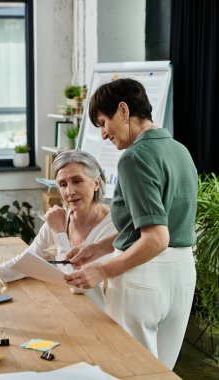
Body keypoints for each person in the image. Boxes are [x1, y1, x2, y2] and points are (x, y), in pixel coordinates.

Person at [63, 78, 198, 370]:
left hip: (142, 278)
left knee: (129, 370)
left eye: (103, 122)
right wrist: (97, 248)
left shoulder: (133, 158)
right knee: (160, 372)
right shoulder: (180, 151)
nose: (102, 134)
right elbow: (156, 225)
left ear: (123, 110)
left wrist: (101, 269)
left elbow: (156, 238)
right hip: (183, 274)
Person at [0, 150, 116, 310]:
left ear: (96, 183)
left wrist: (59, 233)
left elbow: (77, 284)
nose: (70, 192)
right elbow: (28, 260)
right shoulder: (62, 217)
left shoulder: (112, 225)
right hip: (69, 307)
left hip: (101, 315)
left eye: (77, 181)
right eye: (63, 184)